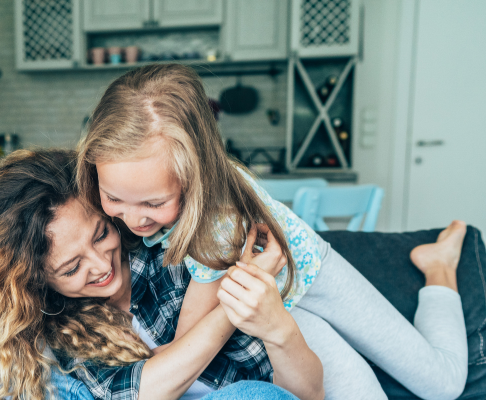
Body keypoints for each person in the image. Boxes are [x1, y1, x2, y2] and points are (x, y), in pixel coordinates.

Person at [76, 63, 467, 399]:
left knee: (442, 384)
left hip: (312, 279)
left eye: (154, 204)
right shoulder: (124, 194)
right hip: (280, 312)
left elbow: (185, 348)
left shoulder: (217, 225)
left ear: (196, 177)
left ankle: (438, 269)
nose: (133, 220)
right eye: (114, 199)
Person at [0, 149, 324, 400]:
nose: (101, 266)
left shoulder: (177, 257)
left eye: (101, 234)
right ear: (39, 282)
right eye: (72, 268)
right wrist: (234, 301)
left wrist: (256, 306)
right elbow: (144, 393)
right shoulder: (63, 330)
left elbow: (301, 393)